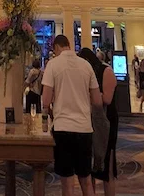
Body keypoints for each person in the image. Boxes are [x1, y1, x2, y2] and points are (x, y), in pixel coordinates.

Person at [41, 34, 102, 196]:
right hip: (84, 128)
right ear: (69, 45)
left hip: (63, 128)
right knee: (86, 180)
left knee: (67, 182)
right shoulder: (86, 65)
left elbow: (45, 101)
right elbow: (97, 100)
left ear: (56, 48)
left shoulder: (53, 65)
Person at [79, 48, 118, 196]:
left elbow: (107, 99)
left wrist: (91, 94)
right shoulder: (88, 73)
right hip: (90, 121)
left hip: (107, 121)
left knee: (107, 165)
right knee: (90, 165)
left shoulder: (105, 71)